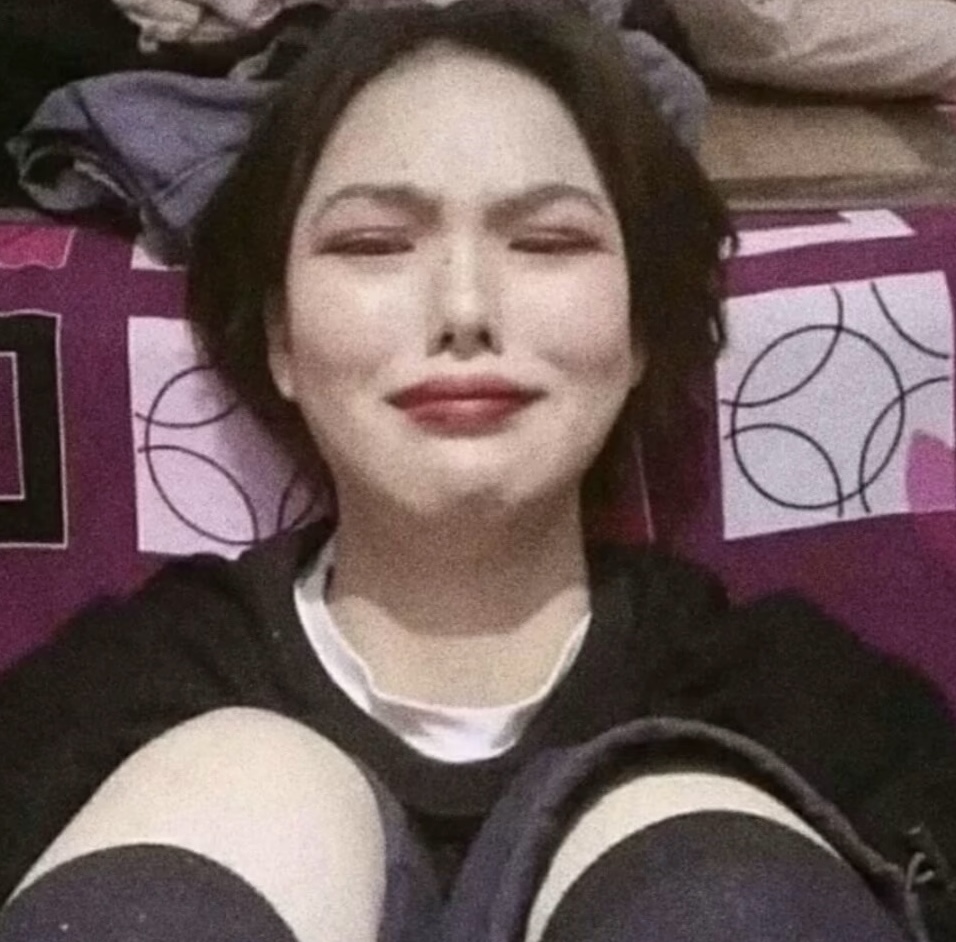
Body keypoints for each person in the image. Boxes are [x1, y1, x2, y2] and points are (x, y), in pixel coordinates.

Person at [1, 2, 955, 941]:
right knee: (242, 791)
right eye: (374, 244)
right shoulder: (109, 702)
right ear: (281, 338)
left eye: (549, 242)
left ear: (638, 331)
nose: (464, 309)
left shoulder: (812, 709)